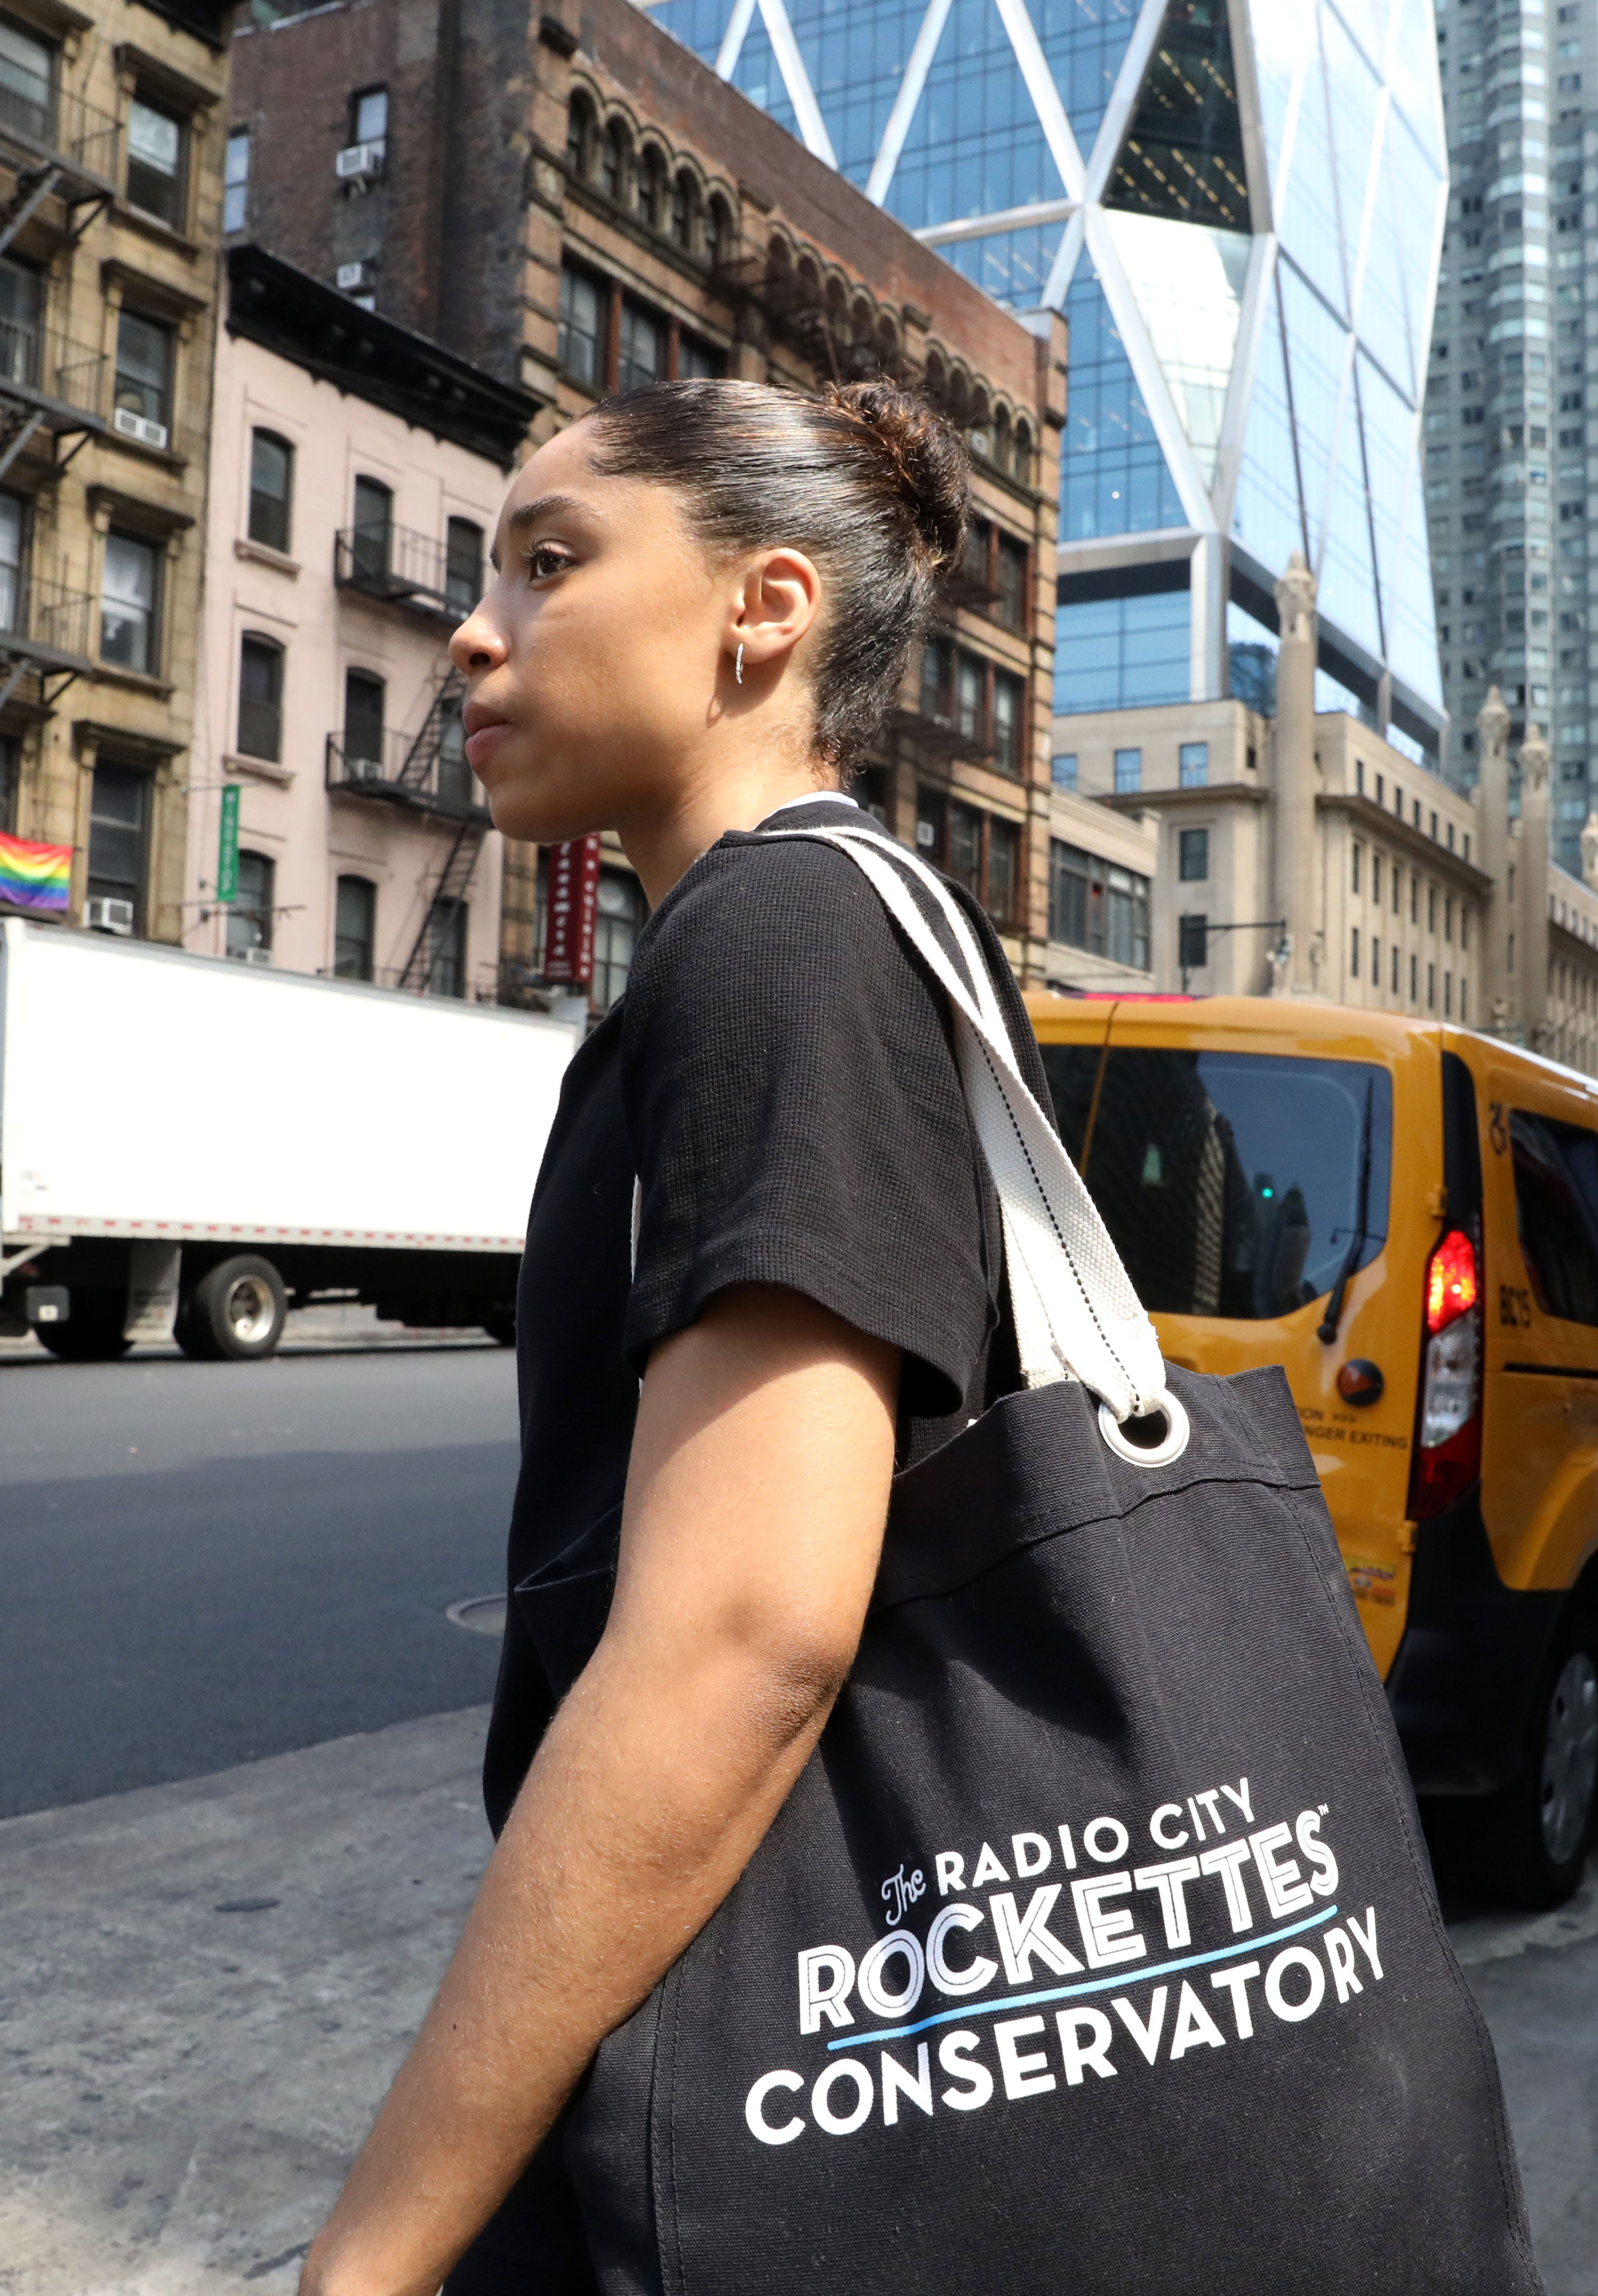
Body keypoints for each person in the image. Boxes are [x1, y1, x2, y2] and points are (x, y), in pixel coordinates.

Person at [296, 378, 1036, 2296]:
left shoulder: (777, 940)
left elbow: (736, 1643)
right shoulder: (815, 929)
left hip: (761, 2043)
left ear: (760, 609)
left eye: (549, 563)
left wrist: (370, 2253)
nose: (476, 627)